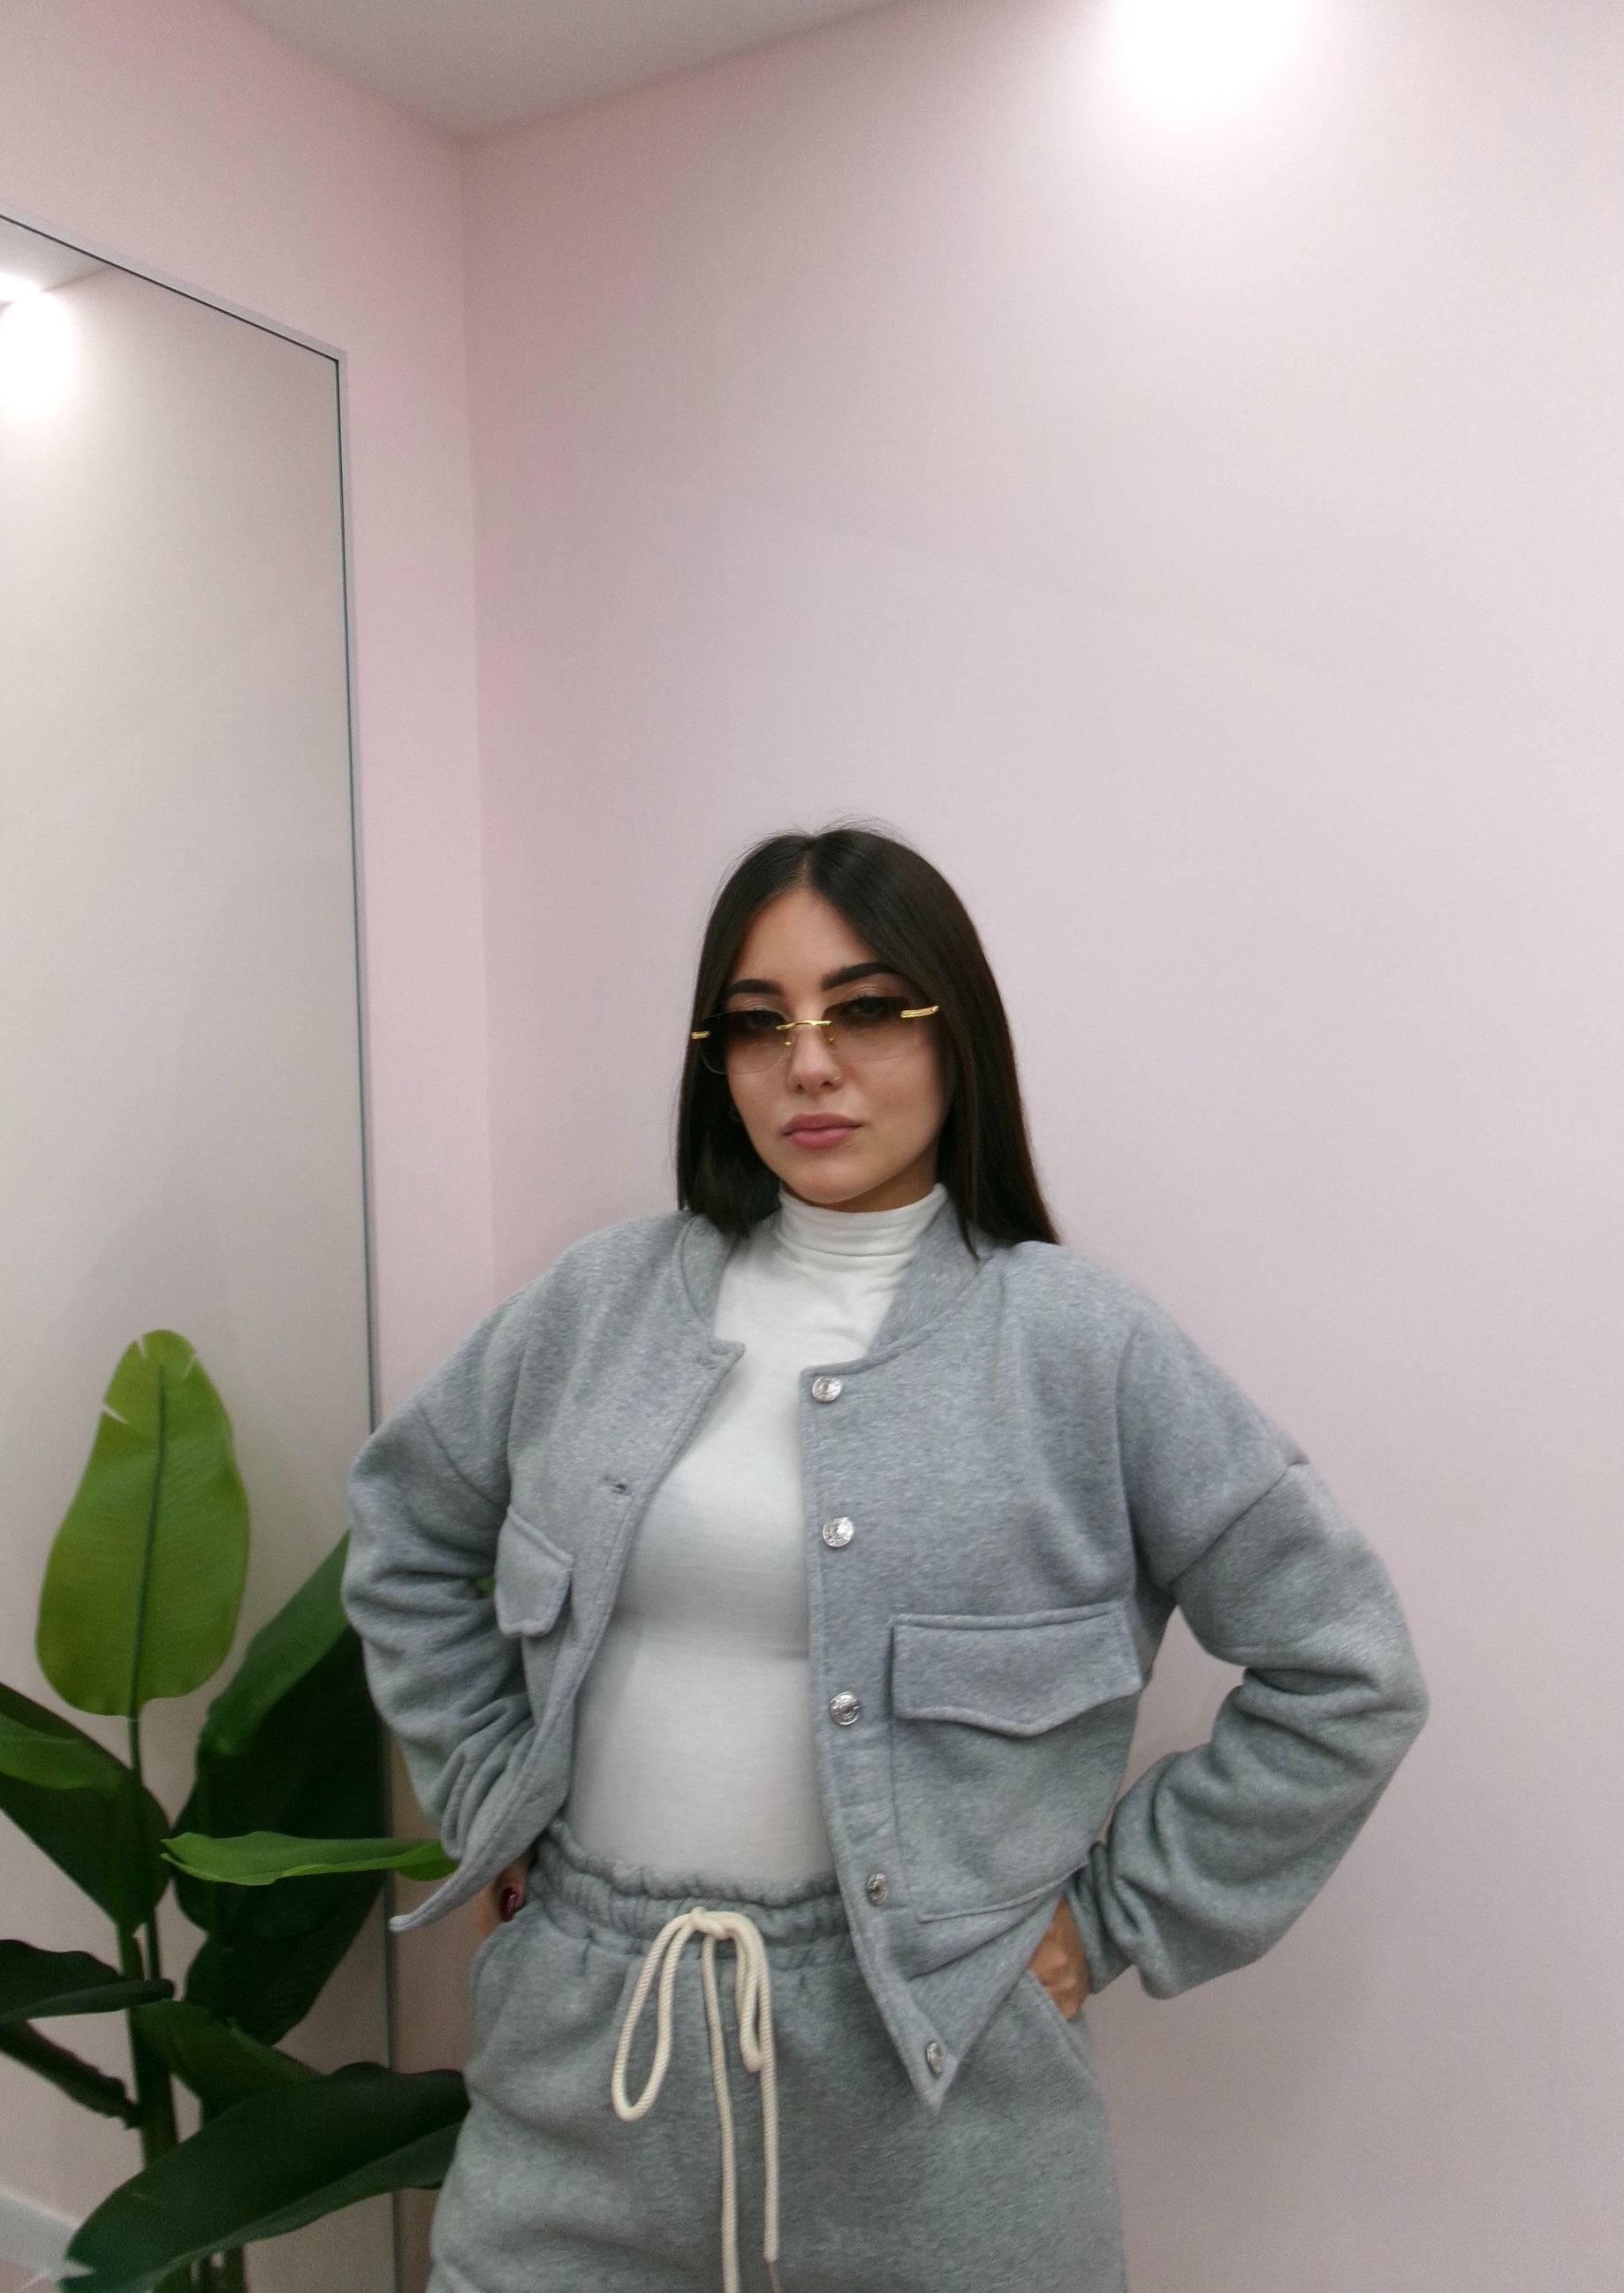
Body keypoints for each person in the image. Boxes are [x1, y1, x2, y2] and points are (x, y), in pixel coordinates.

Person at [343, 824, 1429, 2293]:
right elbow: (406, 1525)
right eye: (757, 1023)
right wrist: (489, 1789)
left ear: (952, 1029)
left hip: (938, 2112)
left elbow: (1345, 1668)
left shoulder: (1081, 1347)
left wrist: (1113, 1919)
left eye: (862, 1009)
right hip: (583, 2070)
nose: (808, 1064)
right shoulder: (594, 1306)